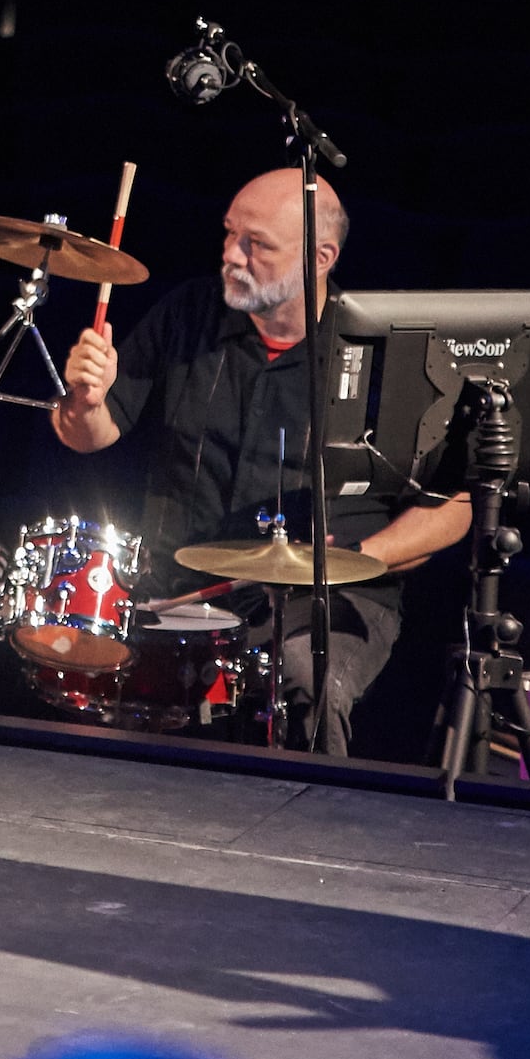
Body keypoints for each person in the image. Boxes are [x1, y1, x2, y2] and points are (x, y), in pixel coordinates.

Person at [50, 168, 473, 756]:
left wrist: (351, 561)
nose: (231, 255)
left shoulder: (383, 352)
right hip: (181, 585)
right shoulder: (187, 315)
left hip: (325, 599)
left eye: (257, 245)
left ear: (320, 257)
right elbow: (87, 435)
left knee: (306, 678)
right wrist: (84, 400)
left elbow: (454, 506)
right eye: (229, 235)